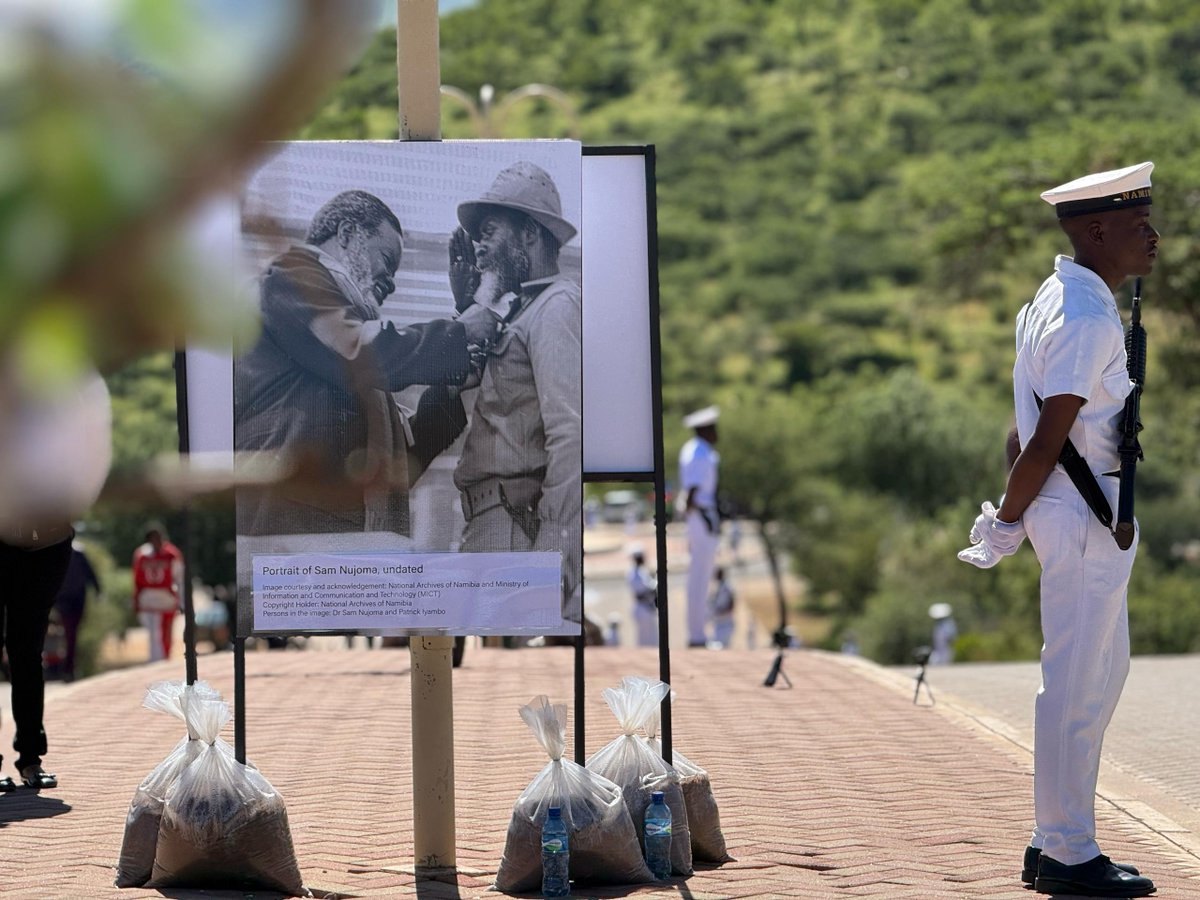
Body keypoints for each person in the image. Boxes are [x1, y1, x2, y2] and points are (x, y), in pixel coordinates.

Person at [958, 161, 1159, 897]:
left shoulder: (1059, 296)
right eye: (1139, 225)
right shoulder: (1082, 316)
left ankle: (1056, 840)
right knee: (1075, 685)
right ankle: (1069, 853)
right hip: (1078, 515)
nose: (1155, 236)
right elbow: (1044, 437)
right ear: (1097, 230)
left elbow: (1025, 425)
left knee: (1101, 677)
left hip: (1083, 513)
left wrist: (1018, 510)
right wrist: (1004, 521)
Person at [235, 189, 498, 537]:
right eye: (387, 260)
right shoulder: (290, 278)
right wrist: (460, 335)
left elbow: (401, 462)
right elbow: (359, 351)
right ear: (346, 234)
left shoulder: (340, 338)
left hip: (337, 549)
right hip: (294, 537)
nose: (390, 283)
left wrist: (450, 386)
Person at [450, 161, 583, 625]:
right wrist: (468, 311)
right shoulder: (520, 310)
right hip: (497, 523)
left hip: (516, 528)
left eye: (489, 232)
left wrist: (554, 544)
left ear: (529, 235)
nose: (480, 248)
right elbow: (462, 391)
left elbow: (570, 435)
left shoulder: (557, 307)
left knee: (499, 677)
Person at [678, 405, 721, 647]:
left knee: (701, 577)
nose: (717, 432)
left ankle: (699, 633)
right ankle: (697, 636)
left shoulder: (697, 449)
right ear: (705, 429)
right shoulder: (699, 452)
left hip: (701, 517)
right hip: (701, 516)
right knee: (700, 578)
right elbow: (693, 491)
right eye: (713, 428)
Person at [132, 524, 184, 663]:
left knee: (165, 634)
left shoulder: (172, 554)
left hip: (166, 599)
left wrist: (181, 601)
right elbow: (136, 579)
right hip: (148, 599)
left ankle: (164, 660)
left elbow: (179, 579)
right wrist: (136, 600)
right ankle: (155, 661)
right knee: (153, 634)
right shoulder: (142, 555)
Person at [52, 540, 100, 682]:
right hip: (68, 600)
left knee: (71, 633)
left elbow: (90, 574)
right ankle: (68, 668)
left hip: (72, 599)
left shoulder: (76, 552)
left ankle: (68, 667)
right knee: (71, 634)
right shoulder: (73, 552)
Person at [627, 544, 658, 647]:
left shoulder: (639, 571)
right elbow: (647, 588)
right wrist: (656, 581)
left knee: (650, 638)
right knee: (645, 640)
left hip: (645, 607)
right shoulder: (636, 573)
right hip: (643, 607)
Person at [708, 566, 735, 649]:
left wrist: (724, 612)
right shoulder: (717, 587)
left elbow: (731, 602)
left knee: (721, 647)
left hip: (726, 623)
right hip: (718, 623)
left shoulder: (727, 587)